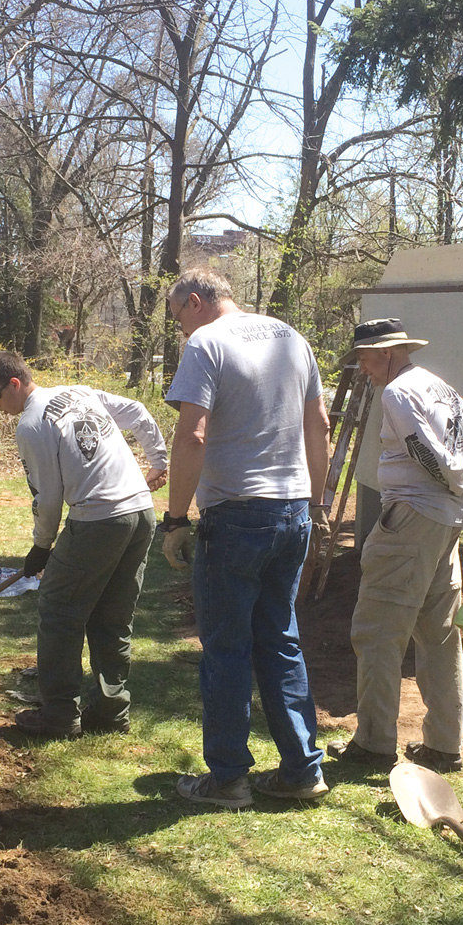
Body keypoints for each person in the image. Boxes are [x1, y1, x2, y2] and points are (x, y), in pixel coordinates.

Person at [161, 267, 331, 809]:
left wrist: (175, 518)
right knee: (280, 639)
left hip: (235, 516)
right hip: (292, 512)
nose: (180, 333)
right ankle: (303, 771)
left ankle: (229, 778)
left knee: (227, 649)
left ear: (193, 302)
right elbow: (319, 426)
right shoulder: (291, 338)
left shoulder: (207, 344)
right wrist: (315, 502)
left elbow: (192, 436)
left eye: (177, 320)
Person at [328, 318, 463, 774]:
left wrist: (459, 485)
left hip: (412, 522)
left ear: (386, 352)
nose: (362, 368)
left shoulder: (398, 393)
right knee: (439, 635)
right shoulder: (442, 389)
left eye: (364, 358)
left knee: (378, 630)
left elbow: (428, 453)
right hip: (444, 524)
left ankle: (373, 744)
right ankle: (444, 745)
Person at [0, 351, 168, 738]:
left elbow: (48, 497)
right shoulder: (77, 392)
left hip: (98, 519)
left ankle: (60, 716)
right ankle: (111, 713)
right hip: (141, 514)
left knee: (59, 612)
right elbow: (137, 411)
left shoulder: (30, 425)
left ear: (14, 384)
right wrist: (158, 460)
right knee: (113, 617)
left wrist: (41, 547)